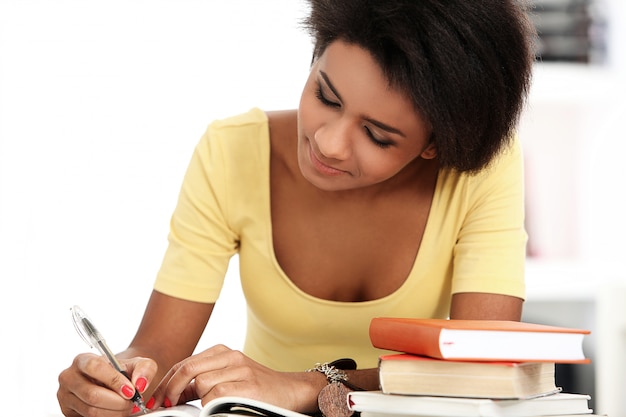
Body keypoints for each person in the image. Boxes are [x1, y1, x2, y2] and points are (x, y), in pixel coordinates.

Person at [57, 0, 535, 416]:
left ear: (436, 144)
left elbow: (480, 363)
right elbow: (158, 349)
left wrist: (310, 386)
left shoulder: (482, 171)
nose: (328, 143)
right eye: (325, 96)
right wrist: (114, 382)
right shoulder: (233, 151)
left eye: (377, 135)